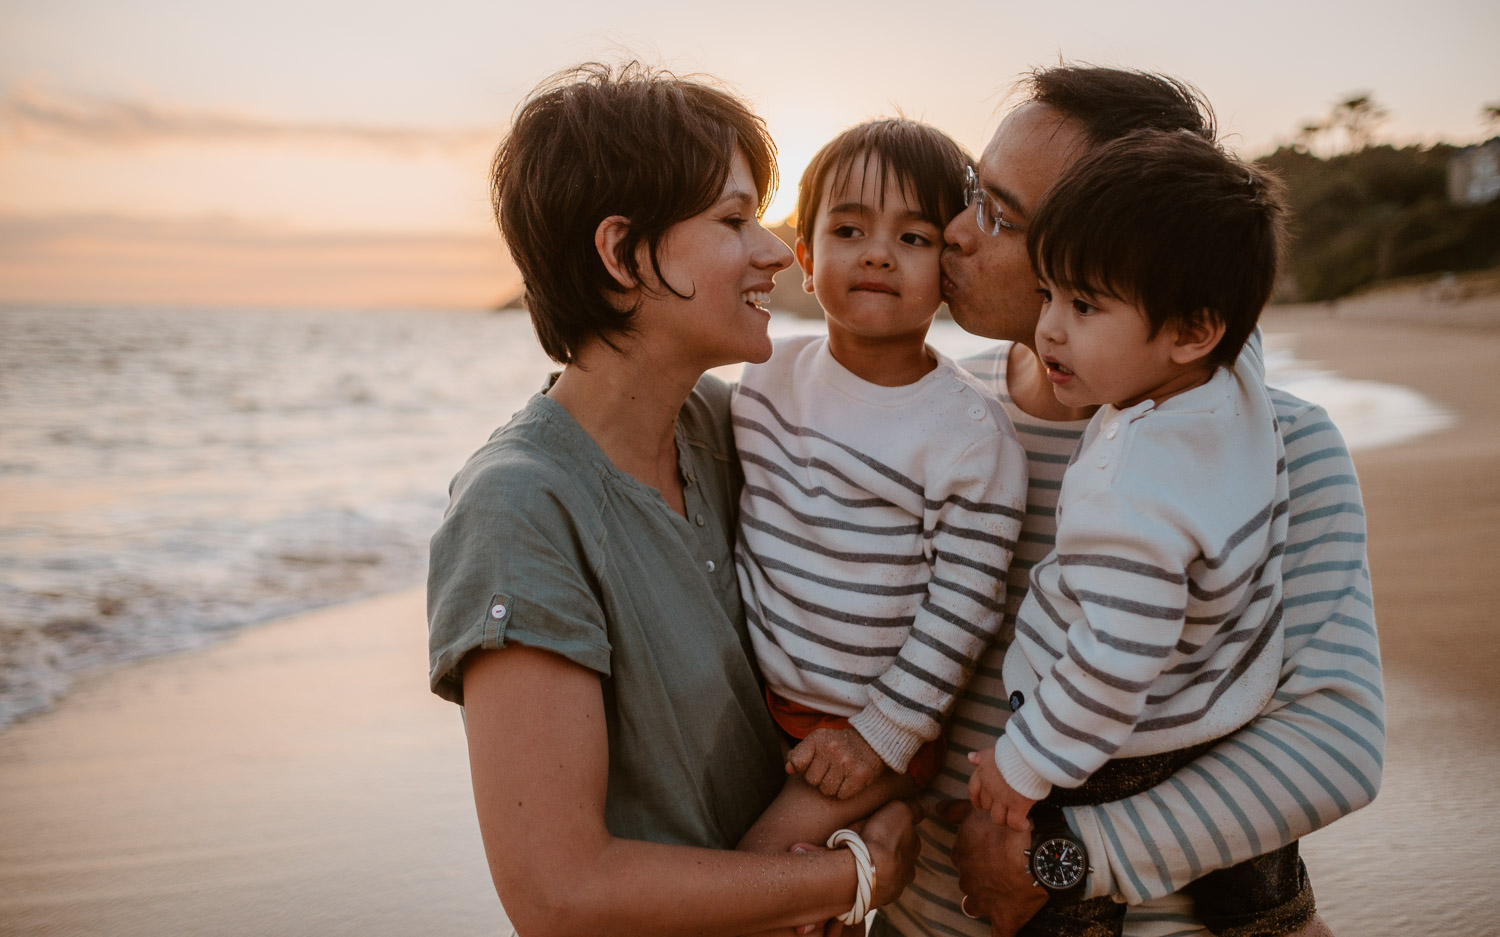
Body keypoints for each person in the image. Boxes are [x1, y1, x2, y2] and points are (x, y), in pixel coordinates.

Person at [872, 65, 1384, 937]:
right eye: (970, 192)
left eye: (999, 214)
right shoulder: (930, 417)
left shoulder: (1276, 449)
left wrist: (1066, 858)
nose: (953, 233)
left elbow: (1335, 743)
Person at [426, 62, 922, 937]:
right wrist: (848, 879)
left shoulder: (739, 432)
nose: (776, 249)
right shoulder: (520, 508)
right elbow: (559, 891)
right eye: (734, 220)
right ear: (620, 255)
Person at [964, 130, 1304, 936]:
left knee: (1055, 902)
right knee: (1261, 893)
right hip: (1226, 707)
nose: (1049, 329)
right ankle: (1286, 918)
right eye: (1048, 293)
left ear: (1192, 330)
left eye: (1083, 307)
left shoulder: (1133, 490)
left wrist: (1022, 765)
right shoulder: (1231, 387)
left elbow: (1116, 659)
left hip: (1115, 746)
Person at [729, 120, 1028, 863]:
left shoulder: (969, 436)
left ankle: (885, 814)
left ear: (951, 269)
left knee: (756, 874)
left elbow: (965, 608)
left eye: (914, 238)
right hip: (754, 707)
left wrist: (880, 739)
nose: (876, 252)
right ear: (804, 254)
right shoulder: (764, 378)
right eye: (850, 227)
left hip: (873, 725)